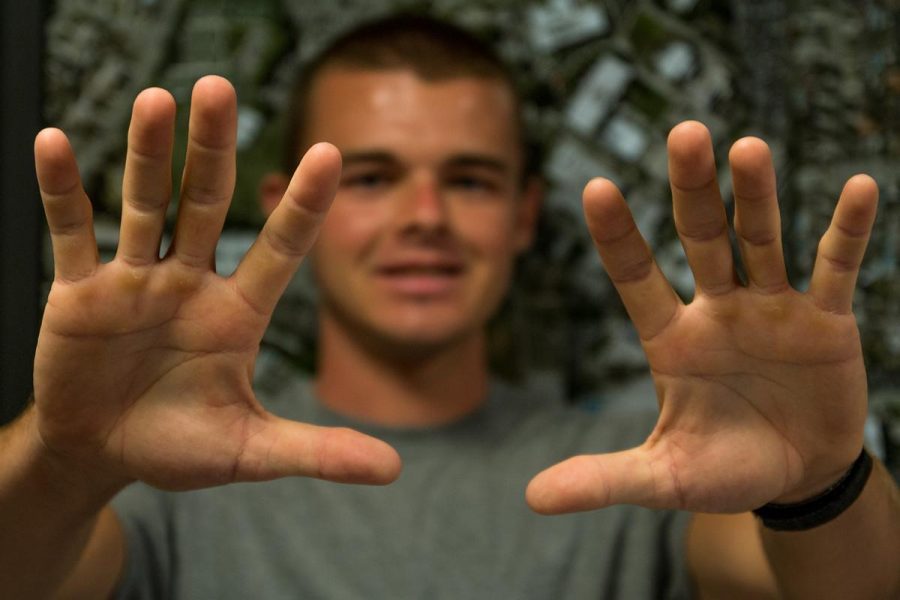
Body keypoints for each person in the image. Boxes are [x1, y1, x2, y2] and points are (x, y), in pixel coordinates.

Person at [2, 13, 898, 600]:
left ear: (520, 217)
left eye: (467, 180)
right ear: (289, 207)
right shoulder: (171, 467)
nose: (424, 219)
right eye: (373, 177)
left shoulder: (654, 463)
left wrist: (820, 481)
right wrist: (65, 456)